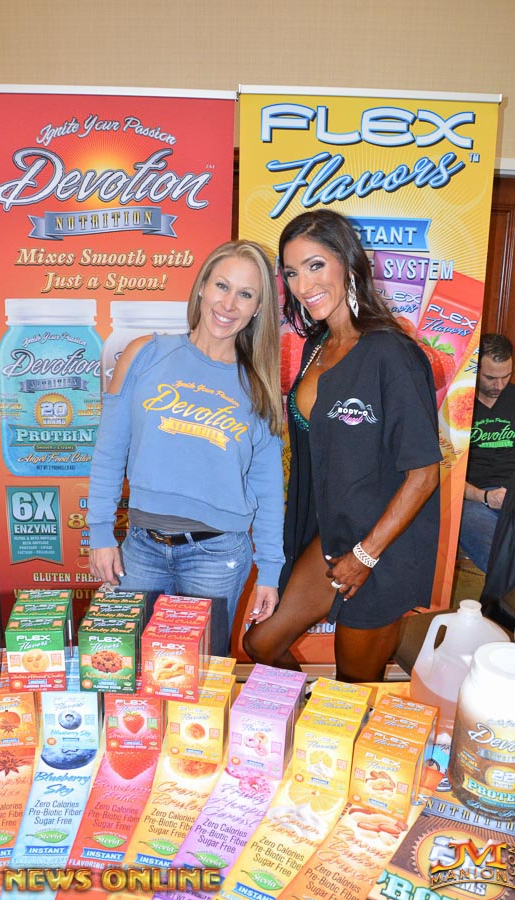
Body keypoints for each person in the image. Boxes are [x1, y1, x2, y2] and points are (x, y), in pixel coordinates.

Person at [242, 210, 441, 683]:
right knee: (261, 643)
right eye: (292, 272)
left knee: (353, 685)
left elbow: (424, 473)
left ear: (348, 263)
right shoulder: (316, 346)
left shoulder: (392, 353)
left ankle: (343, 726)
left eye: (315, 265)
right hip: (333, 534)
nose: (302, 284)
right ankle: (309, 711)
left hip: (384, 546)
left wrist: (366, 556)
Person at [87, 240, 285, 656]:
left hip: (218, 557)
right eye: (222, 286)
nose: (228, 304)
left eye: (245, 294)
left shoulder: (260, 386)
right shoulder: (144, 354)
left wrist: (269, 570)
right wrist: (101, 532)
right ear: (202, 287)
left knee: (199, 678)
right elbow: (109, 451)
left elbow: (269, 490)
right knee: (130, 668)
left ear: (257, 309)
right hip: (140, 549)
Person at [459, 333, 515, 573]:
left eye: (505, 376)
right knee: (497, 555)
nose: (499, 386)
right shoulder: (457, 404)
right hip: (473, 498)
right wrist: (485, 496)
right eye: (490, 377)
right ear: (475, 369)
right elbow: (445, 476)